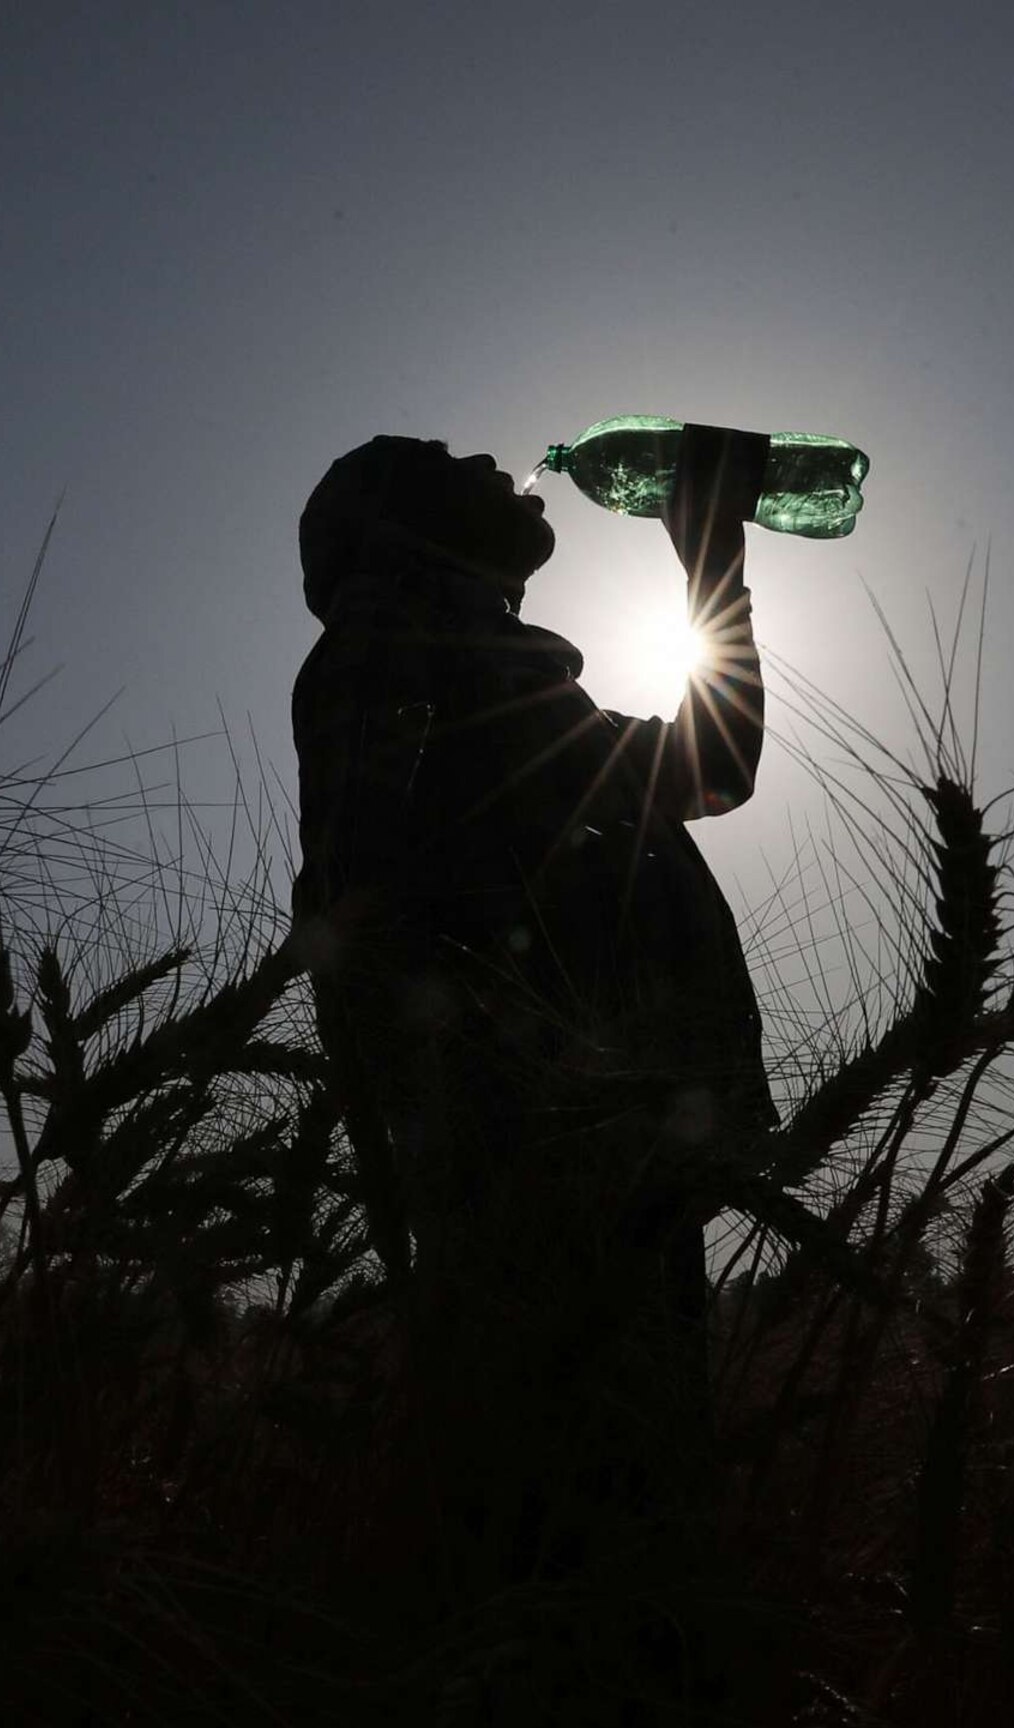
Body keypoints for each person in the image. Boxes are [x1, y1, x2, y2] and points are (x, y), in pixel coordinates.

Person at [287, 426, 776, 1659]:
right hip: (532, 1161)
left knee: (638, 1509)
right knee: (566, 1529)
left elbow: (715, 769)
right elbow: (358, 905)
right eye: (442, 461)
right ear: (395, 527)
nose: (490, 459)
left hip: (617, 1152)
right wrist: (459, 1122)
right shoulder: (390, 646)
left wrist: (710, 560)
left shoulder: (531, 692)